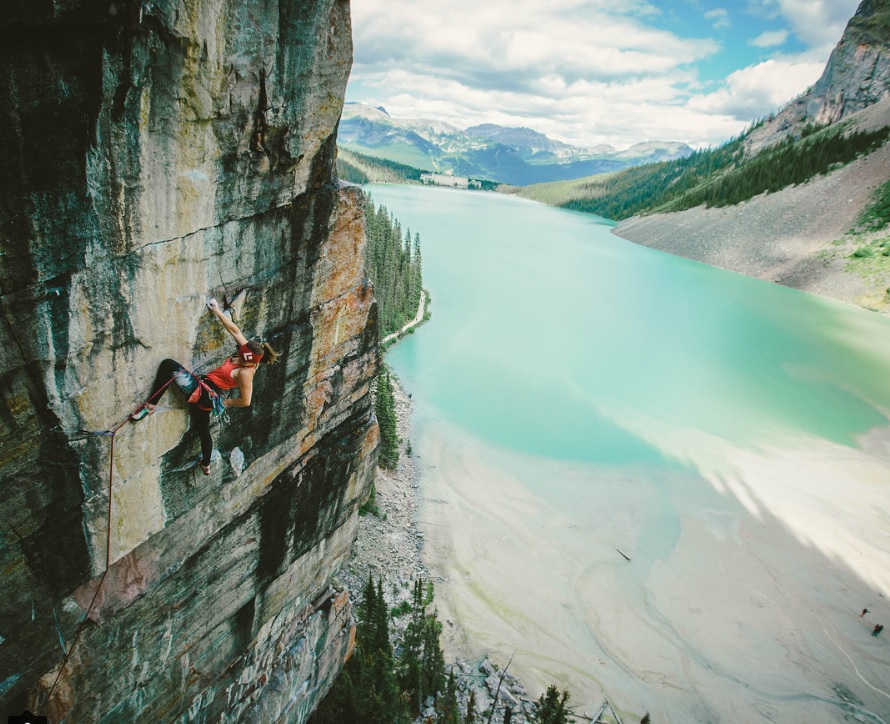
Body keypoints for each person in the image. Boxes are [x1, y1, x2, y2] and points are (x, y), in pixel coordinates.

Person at [132, 298, 279, 474]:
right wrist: (217, 311)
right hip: (205, 394)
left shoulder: (246, 373)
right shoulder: (249, 352)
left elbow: (246, 400)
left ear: (250, 361)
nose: (239, 358)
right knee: (202, 430)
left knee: (168, 365)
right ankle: (206, 464)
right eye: (239, 354)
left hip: (205, 393)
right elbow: (235, 330)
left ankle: (150, 405)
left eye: (242, 359)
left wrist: (226, 403)